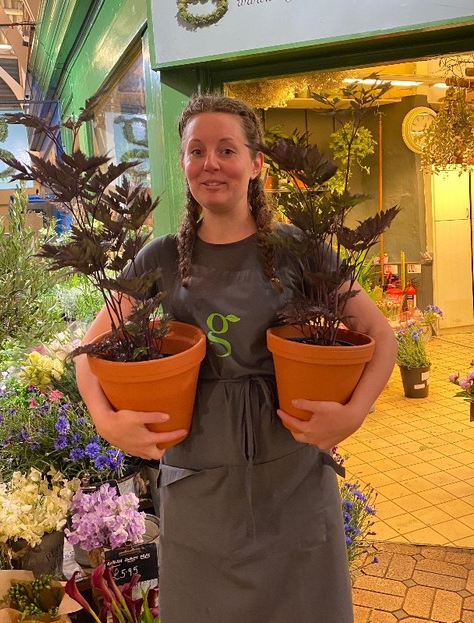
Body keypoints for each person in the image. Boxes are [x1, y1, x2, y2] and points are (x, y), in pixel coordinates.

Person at [75, 94, 398, 622]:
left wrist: (355, 412)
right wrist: (107, 422)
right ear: (183, 163)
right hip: (200, 487)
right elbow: (87, 354)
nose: (211, 163)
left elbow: (379, 336)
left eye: (227, 149)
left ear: (256, 164)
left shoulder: (300, 249)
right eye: (196, 150)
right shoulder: (158, 259)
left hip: (292, 477)